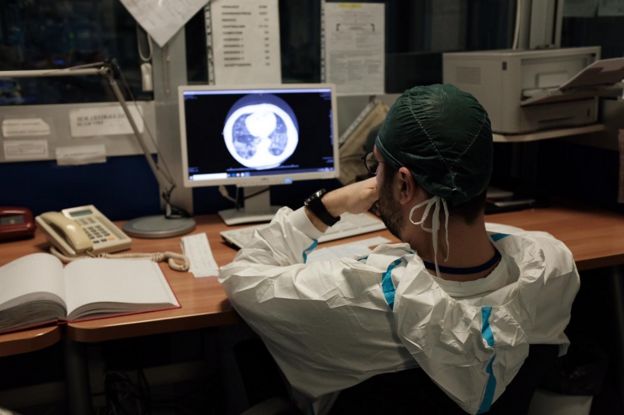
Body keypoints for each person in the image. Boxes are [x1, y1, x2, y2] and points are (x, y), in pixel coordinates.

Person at [219, 84, 580, 414]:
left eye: (377, 167)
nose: (374, 178)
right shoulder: (553, 268)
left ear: (404, 184)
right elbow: (501, 237)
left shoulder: (349, 294)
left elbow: (244, 276)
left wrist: (325, 207)